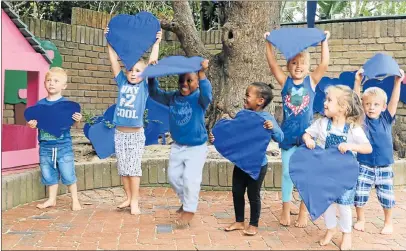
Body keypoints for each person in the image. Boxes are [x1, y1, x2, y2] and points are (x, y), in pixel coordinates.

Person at [264, 30, 330, 227]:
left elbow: (324, 64)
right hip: (288, 136)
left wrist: (324, 42)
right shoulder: (285, 82)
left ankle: (303, 210)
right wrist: (268, 42)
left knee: (305, 174)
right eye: (294, 63)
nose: (298, 66)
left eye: (302, 63)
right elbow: (272, 63)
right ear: (288, 66)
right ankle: (285, 209)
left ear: (308, 66)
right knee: (287, 173)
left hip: (307, 137)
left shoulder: (311, 81)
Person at [302, 85, 372, 250]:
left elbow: (368, 148)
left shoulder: (353, 129)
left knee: (343, 204)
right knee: (327, 203)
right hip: (326, 172)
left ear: (342, 108)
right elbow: (307, 133)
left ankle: (346, 233)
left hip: (345, 174)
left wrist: (350, 146)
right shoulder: (322, 124)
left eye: (329, 100)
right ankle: (330, 228)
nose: (325, 103)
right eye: (326, 99)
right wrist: (308, 140)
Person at [210, 82, 284, 236]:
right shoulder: (242, 116)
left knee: (253, 195)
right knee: (237, 191)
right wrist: (216, 137)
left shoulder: (266, 118)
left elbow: (280, 137)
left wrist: (272, 128)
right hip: (241, 163)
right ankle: (239, 221)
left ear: (260, 100)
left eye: (248, 95)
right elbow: (233, 136)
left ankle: (253, 224)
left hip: (257, 165)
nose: (244, 98)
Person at [148, 59, 212, 228]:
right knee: (173, 177)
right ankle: (186, 202)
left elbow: (208, 95)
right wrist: (152, 76)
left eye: (189, 80)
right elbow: (155, 94)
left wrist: (202, 74)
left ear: (197, 83)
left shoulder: (199, 98)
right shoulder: (173, 97)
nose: (184, 84)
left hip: (196, 147)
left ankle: (190, 211)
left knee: (190, 179)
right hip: (178, 146)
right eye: (181, 80)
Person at [105, 27, 162, 215]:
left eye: (137, 70)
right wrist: (109, 40)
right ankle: (128, 198)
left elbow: (153, 64)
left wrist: (156, 44)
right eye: (130, 69)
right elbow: (114, 61)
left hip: (135, 135)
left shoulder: (144, 87)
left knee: (134, 169)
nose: (132, 72)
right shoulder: (122, 82)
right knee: (123, 168)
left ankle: (135, 201)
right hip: (119, 133)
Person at [353, 68, 405, 234]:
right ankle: (361, 219)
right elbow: (355, 101)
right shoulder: (362, 120)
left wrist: (397, 82)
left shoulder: (386, 118)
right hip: (364, 164)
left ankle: (388, 222)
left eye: (376, 104)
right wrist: (357, 82)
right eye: (367, 104)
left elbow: (394, 101)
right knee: (359, 195)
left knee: (387, 197)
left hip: (384, 166)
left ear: (383, 107)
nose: (371, 108)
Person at [27, 67, 82, 211]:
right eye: (49, 80)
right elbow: (36, 122)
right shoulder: (40, 105)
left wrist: (77, 121)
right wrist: (32, 125)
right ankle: (51, 199)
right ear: (44, 83)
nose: (51, 83)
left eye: (56, 81)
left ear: (63, 86)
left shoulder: (67, 106)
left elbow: (74, 125)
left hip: (63, 145)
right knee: (48, 172)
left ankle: (75, 200)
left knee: (68, 172)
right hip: (45, 146)